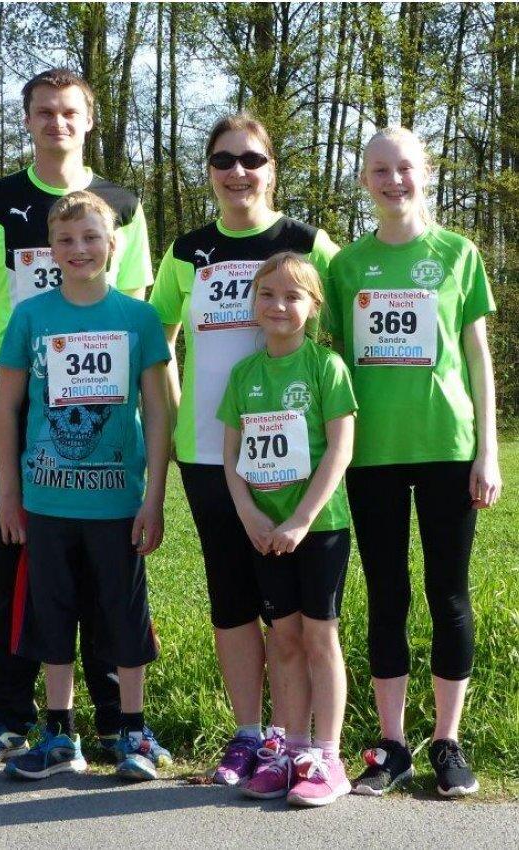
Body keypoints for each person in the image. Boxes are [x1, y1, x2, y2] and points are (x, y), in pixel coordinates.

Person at [0, 67, 154, 766]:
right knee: (15, 560)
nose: (56, 122)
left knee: (105, 565)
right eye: (44, 111)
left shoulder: (121, 204)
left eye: (69, 112)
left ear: (88, 119)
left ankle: (112, 721)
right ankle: (6, 715)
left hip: (104, 414)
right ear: (27, 118)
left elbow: (136, 306)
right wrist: (11, 357)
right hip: (21, 401)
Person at [149, 113, 339, 784]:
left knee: (290, 613)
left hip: (290, 464)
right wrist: (175, 421)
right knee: (230, 600)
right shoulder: (187, 250)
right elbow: (157, 344)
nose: (238, 172)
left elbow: (337, 336)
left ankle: (307, 746)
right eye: (223, 160)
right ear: (208, 170)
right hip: (208, 456)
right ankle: (248, 736)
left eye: (251, 160)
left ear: (271, 168)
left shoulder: (306, 241)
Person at [324, 126, 500, 798]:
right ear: (363, 180)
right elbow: (335, 364)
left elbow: (477, 358)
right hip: (371, 454)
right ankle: (391, 745)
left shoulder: (457, 254)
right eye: (378, 170)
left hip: (447, 448)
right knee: (386, 595)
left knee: (447, 595)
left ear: (424, 172)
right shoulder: (345, 266)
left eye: (403, 168)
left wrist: (487, 449)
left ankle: (446, 743)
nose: (392, 181)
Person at [0, 191, 171, 783]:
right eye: (66, 240)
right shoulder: (31, 316)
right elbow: (6, 410)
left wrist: (155, 496)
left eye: (91, 238)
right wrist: (8, 493)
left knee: (122, 617)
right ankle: (60, 732)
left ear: (112, 244)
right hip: (46, 500)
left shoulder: (139, 318)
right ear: (51, 248)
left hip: (118, 502)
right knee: (52, 616)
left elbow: (159, 410)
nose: (79, 249)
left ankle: (131, 730)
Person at [218, 253, 356, 806]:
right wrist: (251, 514)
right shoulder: (244, 375)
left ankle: (327, 754)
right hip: (264, 530)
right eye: (268, 294)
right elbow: (232, 459)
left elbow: (340, 448)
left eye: (293, 296)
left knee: (320, 637)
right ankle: (291, 747)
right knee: (285, 639)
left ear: (314, 307)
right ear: (253, 304)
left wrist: (301, 519)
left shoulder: (326, 368)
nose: (279, 305)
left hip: (318, 526)